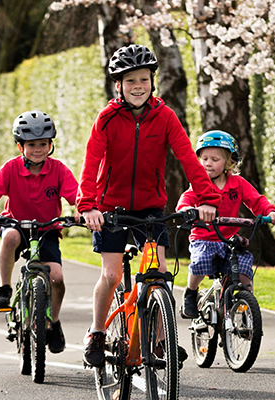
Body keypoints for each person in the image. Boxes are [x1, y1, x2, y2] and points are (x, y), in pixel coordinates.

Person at [77, 44, 220, 367]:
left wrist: (207, 199)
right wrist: (88, 205)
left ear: (152, 82)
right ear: (118, 86)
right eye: (130, 81)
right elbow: (91, 162)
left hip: (151, 208)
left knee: (158, 274)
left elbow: (188, 158)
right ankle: (97, 332)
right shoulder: (107, 119)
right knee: (112, 275)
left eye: (143, 79)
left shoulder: (165, 117)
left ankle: (158, 340)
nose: (138, 86)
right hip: (110, 209)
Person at [0, 110, 79, 355]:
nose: (38, 149)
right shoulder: (11, 168)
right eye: (31, 145)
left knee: (57, 277)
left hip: (47, 229)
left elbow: (77, 196)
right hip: (17, 225)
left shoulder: (58, 170)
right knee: (9, 237)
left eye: (43, 144)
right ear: (20, 146)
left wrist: (80, 211)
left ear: (50, 144)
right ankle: (4, 288)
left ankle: (53, 323)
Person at [176, 130, 275, 319]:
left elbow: (256, 200)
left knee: (243, 273)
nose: (208, 163)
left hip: (229, 240)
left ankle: (248, 310)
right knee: (200, 262)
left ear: (229, 162)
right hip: (204, 238)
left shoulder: (237, 184)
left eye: (215, 159)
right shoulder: (199, 185)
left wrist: (270, 212)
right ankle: (191, 292)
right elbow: (186, 200)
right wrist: (186, 210)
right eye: (205, 158)